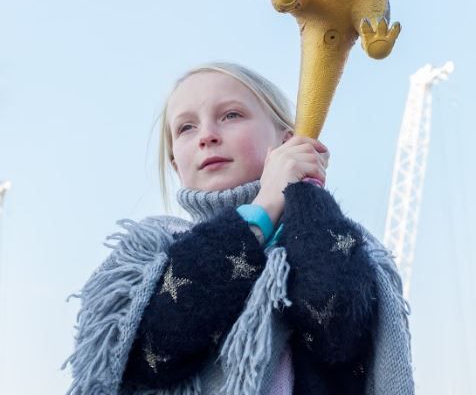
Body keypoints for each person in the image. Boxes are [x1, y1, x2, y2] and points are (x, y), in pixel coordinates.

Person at [63, 62, 414, 395]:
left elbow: (337, 326)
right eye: (186, 127)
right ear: (175, 164)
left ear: (286, 140)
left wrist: (303, 190)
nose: (207, 136)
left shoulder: (337, 235)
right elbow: (157, 345)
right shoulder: (155, 249)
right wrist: (264, 208)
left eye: (231, 115)